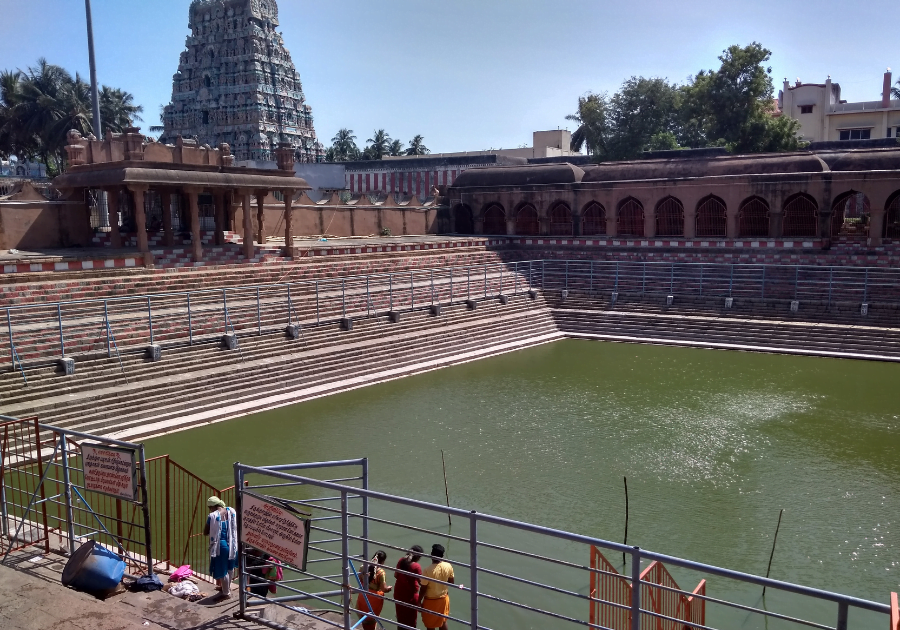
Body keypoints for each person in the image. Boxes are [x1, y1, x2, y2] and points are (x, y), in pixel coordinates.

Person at [203, 495, 238, 598]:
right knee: (230, 567)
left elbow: (205, 532)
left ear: (211, 507)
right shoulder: (231, 511)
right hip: (232, 543)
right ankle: (226, 587)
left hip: (221, 546)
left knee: (223, 569)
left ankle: (226, 593)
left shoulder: (212, 516)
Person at [419, 544, 456, 630]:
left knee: (430, 625)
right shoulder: (448, 566)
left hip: (430, 601)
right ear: (442, 556)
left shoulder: (427, 570)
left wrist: (418, 601)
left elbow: (423, 588)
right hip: (443, 599)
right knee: (442, 622)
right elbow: (451, 582)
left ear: (431, 555)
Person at [355, 550, 392, 630]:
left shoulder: (363, 567)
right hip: (374, 599)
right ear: (382, 561)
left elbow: (359, 579)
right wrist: (388, 589)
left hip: (363, 595)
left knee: (364, 617)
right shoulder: (381, 573)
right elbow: (383, 589)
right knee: (371, 618)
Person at [393, 545, 424, 629]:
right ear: (418, 557)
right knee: (411, 621)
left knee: (400, 619)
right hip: (410, 596)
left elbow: (396, 575)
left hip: (398, 593)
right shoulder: (416, 566)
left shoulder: (401, 561)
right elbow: (421, 582)